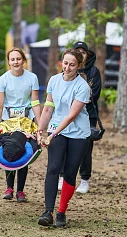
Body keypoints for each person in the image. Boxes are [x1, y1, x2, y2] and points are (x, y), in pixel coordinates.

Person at [36, 48, 91, 227]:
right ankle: (48, 211)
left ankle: (61, 212)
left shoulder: (82, 87)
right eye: (65, 63)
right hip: (56, 129)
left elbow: (71, 116)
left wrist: (52, 134)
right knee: (53, 168)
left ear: (79, 66)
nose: (67, 68)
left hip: (78, 133)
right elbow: (48, 107)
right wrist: (40, 129)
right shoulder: (54, 80)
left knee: (69, 172)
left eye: (72, 65)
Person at [0, 47, 41, 202]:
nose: (16, 62)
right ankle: (9, 188)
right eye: (12, 59)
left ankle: (20, 191)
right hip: (8, 121)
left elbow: (35, 102)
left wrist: (39, 126)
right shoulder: (2, 80)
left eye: (18, 59)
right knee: (9, 149)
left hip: (27, 121)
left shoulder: (32, 78)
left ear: (24, 60)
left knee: (24, 152)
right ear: (9, 62)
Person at [58, 41, 102, 194]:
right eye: (78, 51)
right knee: (63, 145)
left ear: (87, 55)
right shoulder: (64, 74)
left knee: (85, 149)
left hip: (88, 115)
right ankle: (62, 177)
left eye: (83, 52)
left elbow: (93, 95)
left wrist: (81, 97)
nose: (81, 54)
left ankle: (84, 179)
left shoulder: (93, 72)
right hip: (65, 115)